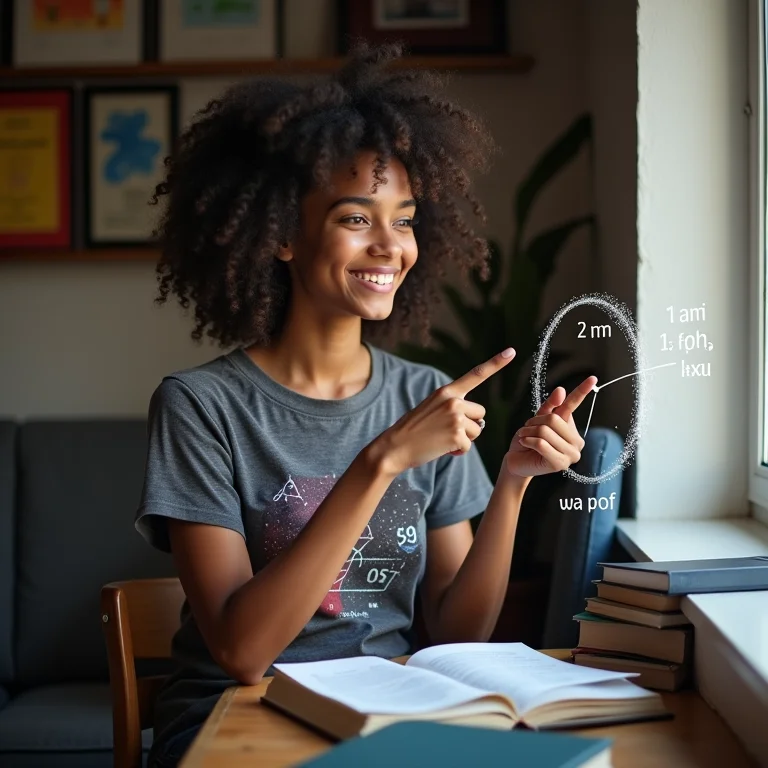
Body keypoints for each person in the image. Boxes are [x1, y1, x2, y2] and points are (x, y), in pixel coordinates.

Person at [135, 41, 595, 768]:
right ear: (282, 233)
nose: (390, 247)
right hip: (235, 718)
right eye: (356, 218)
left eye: (405, 219)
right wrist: (380, 462)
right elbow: (243, 651)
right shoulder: (201, 406)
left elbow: (453, 639)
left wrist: (511, 485)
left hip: (388, 714)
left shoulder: (423, 396)